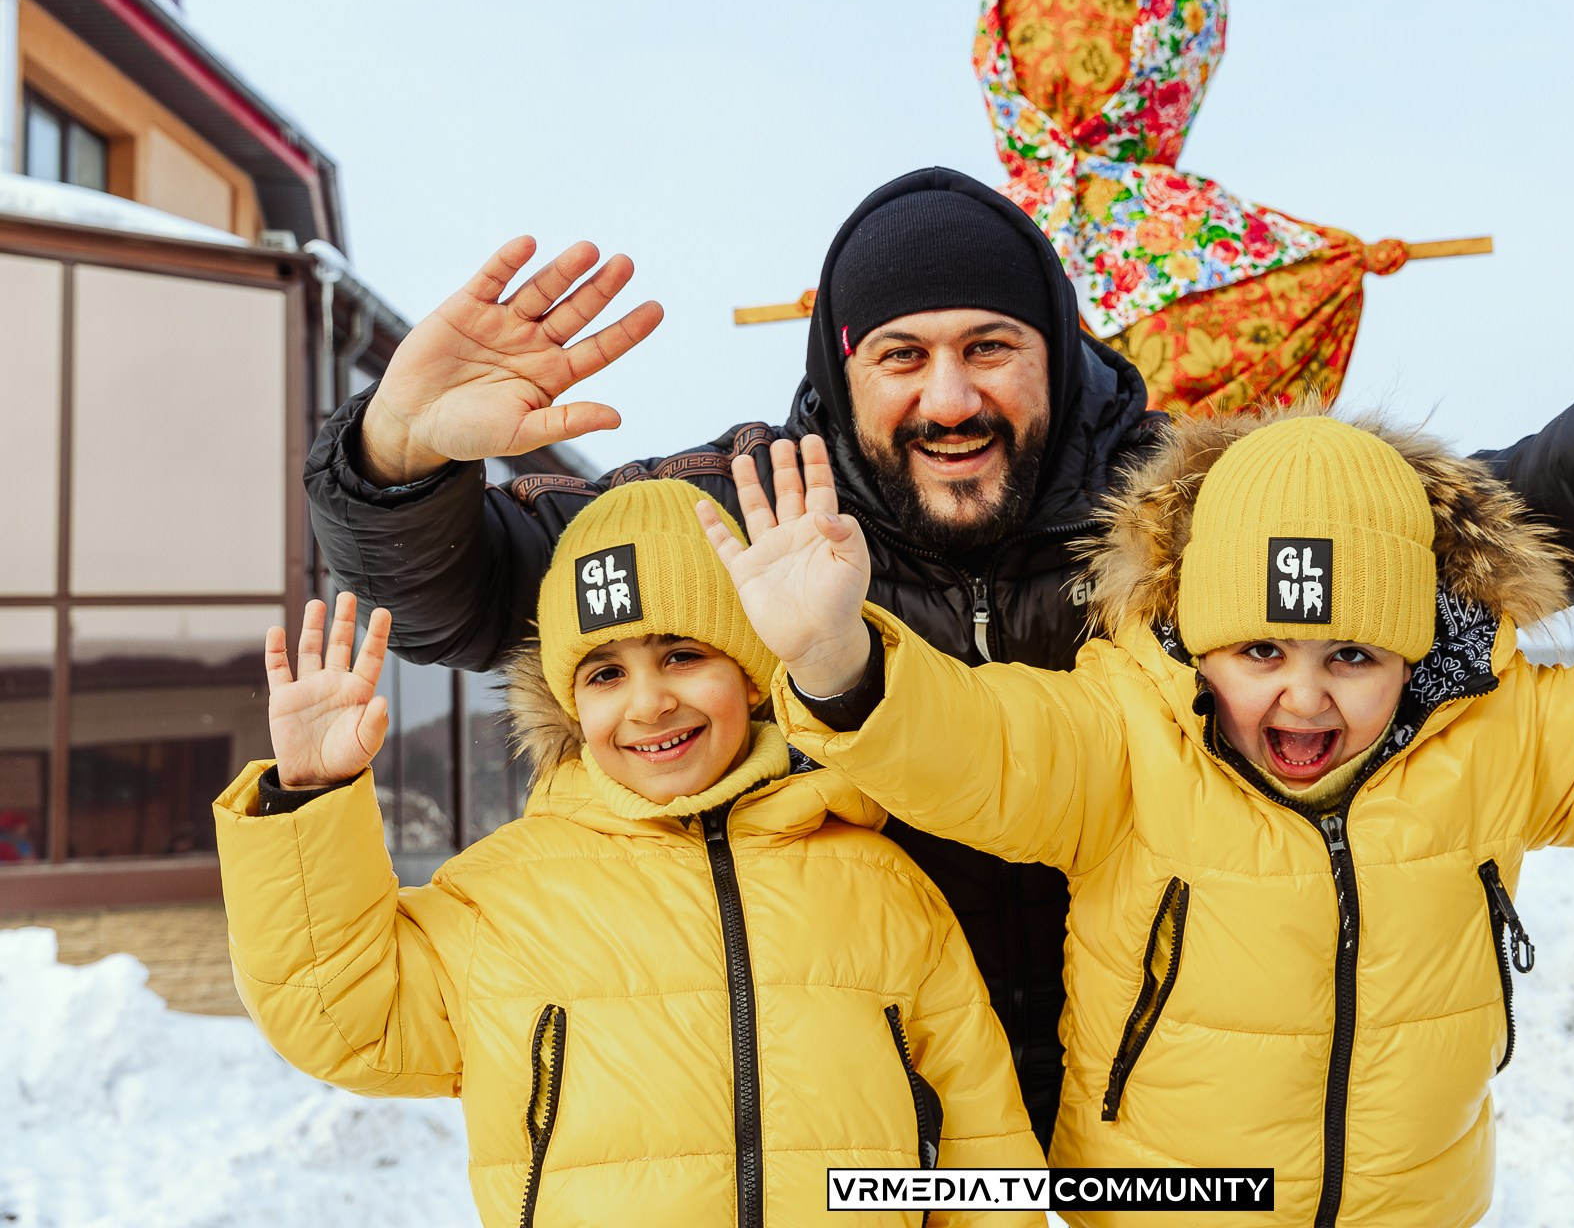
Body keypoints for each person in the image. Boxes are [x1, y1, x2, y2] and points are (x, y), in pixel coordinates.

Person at [305, 165, 1574, 1140]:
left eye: (989, 347)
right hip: (887, 1116)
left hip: (1155, 1118)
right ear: (839, 374)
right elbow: (490, 599)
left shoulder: (1176, 504)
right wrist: (393, 460)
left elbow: (1410, 558)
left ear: (1055, 352)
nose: (948, 397)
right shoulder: (757, 518)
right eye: (901, 356)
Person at [707, 415, 1574, 1228]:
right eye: (1260, 650)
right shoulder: (1126, 736)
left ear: (1414, 650)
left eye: (1353, 655)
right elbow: (970, 747)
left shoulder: (1492, 733)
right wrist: (834, 656)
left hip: (1414, 1202)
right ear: (1197, 637)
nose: (1303, 696)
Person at [214, 481, 1040, 1227]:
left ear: (751, 673)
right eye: (606, 674)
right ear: (571, 704)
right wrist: (311, 794)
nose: (648, 703)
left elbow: (983, 1152)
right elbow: (338, 1015)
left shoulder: (881, 884)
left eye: (683, 655)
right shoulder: (498, 900)